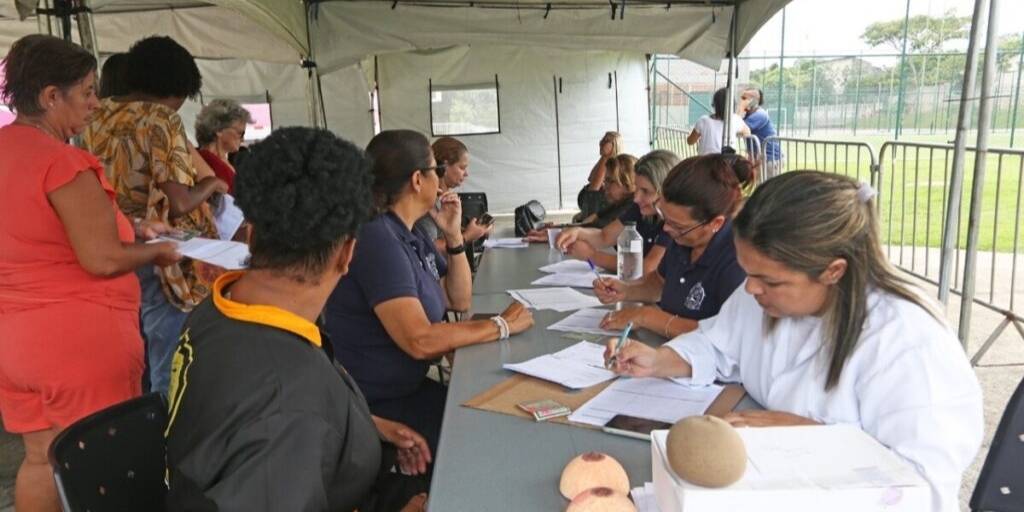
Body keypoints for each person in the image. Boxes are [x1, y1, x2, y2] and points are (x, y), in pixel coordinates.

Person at [606, 171, 983, 512]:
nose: (750, 288)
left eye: (770, 281)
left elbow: (923, 489)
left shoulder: (909, 343)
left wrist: (810, 439)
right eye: (748, 272)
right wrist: (659, 359)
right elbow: (717, 344)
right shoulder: (759, 296)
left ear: (833, 270)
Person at [166, 127, 430, 512]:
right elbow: (283, 416)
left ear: (251, 237)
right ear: (346, 255)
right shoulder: (288, 407)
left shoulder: (219, 308)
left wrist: (364, 425)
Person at [0, 35, 179, 512]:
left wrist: (134, 229)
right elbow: (100, 258)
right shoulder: (62, 160)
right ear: (50, 96)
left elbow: (41, 230)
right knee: (103, 459)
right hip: (78, 340)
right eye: (87, 92)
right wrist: (157, 251)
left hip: (15, 340)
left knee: (40, 458)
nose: (96, 104)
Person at [325, 129, 534, 455]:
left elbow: (457, 299)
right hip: (376, 403)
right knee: (491, 441)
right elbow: (419, 340)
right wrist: (500, 326)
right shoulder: (378, 239)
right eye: (436, 170)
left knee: (495, 419)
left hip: (404, 387)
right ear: (417, 180)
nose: (441, 179)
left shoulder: (407, 231)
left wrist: (453, 236)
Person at [82, 35, 227, 396]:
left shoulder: (96, 115)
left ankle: (139, 422)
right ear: (177, 88)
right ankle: (166, 435)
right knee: (169, 353)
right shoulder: (159, 118)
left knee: (134, 351)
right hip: (160, 251)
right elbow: (179, 202)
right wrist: (212, 182)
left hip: (114, 242)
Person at [594, 154, 754, 339]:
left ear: (715, 223)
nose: (667, 229)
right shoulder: (683, 239)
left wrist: (646, 316)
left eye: (678, 225)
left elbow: (726, 333)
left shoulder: (738, 260)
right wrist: (626, 290)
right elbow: (660, 283)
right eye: (665, 217)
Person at [555, 150, 680, 275]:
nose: (636, 198)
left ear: (667, 191)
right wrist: (577, 233)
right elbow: (604, 236)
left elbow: (648, 268)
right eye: (636, 188)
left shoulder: (673, 225)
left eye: (646, 191)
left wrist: (592, 255)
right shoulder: (640, 210)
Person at [414, 136, 494, 247]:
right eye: (462, 168)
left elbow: (447, 233)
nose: (466, 174)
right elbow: (430, 247)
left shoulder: (446, 197)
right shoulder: (430, 201)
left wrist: (477, 231)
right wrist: (467, 236)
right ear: (445, 167)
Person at [194, 98, 253, 194]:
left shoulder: (214, 159)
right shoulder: (209, 161)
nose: (243, 139)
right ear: (219, 130)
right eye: (240, 133)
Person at [688, 87, 750, 155]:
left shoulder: (703, 121)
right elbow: (747, 132)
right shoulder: (736, 120)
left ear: (715, 104)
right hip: (726, 161)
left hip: (705, 161)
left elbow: (690, 141)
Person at [576, 131, 623, 221]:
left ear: (614, 144)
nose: (601, 144)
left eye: (605, 141)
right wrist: (603, 157)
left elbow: (594, 188)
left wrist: (605, 157)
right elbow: (590, 178)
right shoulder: (604, 161)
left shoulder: (612, 165)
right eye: (601, 141)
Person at [738, 88, 784, 179]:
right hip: (759, 159)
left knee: (768, 190)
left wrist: (741, 108)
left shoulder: (760, 115)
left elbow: (737, 127)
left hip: (770, 160)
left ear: (754, 101)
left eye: (745, 98)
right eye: (741, 98)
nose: (742, 101)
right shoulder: (747, 115)